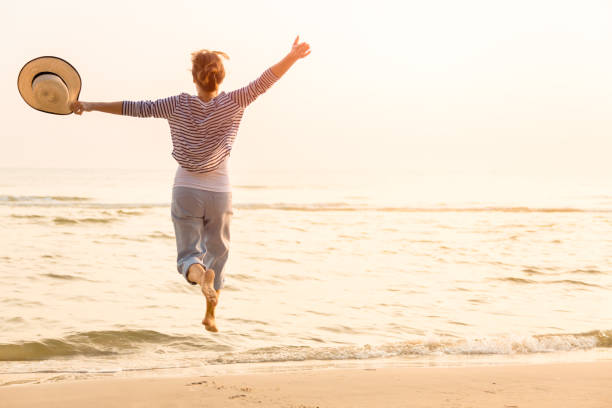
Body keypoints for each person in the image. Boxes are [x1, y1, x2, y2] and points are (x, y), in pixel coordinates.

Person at [72, 36, 311, 332]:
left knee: (188, 255)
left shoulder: (177, 104)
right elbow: (266, 80)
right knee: (218, 253)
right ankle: (211, 314)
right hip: (220, 191)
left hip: (186, 188)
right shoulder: (235, 101)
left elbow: (135, 108)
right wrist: (292, 56)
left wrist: (90, 104)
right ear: (221, 76)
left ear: (194, 77)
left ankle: (199, 276)